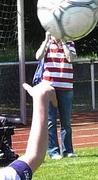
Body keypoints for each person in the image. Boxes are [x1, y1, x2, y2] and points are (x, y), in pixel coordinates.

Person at [35, 32, 77, 160]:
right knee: (50, 121)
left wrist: (64, 43)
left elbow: (71, 58)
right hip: (50, 87)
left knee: (66, 121)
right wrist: (46, 40)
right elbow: (38, 56)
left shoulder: (69, 43)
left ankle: (68, 150)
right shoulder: (48, 43)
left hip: (66, 87)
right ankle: (53, 151)